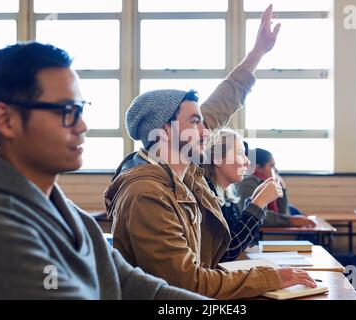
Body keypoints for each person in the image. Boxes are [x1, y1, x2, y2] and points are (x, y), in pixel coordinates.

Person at [105, 5, 316, 300]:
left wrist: (258, 52)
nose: (206, 131)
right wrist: (270, 278)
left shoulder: (181, 162)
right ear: (164, 131)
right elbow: (189, 285)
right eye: (195, 122)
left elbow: (221, 103)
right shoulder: (146, 194)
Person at [0, 42, 206, 300]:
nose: (83, 125)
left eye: (81, 109)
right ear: (7, 121)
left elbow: (137, 287)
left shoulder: (71, 215)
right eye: (67, 111)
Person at [202, 129, 281, 262]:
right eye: (240, 153)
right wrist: (258, 204)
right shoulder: (206, 197)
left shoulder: (227, 196)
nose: (247, 162)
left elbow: (241, 240)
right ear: (217, 159)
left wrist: (255, 200)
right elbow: (226, 253)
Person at [236, 147, 316, 228]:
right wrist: (289, 220)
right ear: (258, 168)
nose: (276, 170)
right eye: (272, 166)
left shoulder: (266, 183)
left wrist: (282, 188)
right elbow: (253, 213)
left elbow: (283, 213)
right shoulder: (248, 182)